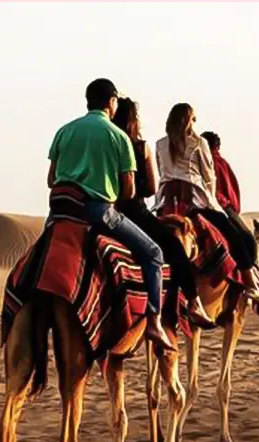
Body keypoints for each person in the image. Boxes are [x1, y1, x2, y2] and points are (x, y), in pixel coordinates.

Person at [47, 78, 174, 352]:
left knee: (35, 258)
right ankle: (154, 320)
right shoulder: (119, 138)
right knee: (154, 254)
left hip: (60, 212)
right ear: (111, 102)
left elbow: (51, 179)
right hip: (98, 212)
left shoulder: (64, 131)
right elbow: (128, 192)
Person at [111, 98, 215, 328]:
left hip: (106, 208)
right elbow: (149, 188)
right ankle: (189, 302)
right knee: (169, 249)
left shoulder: (152, 145)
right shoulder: (140, 147)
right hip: (134, 211)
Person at [152, 104, 259, 303]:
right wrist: (213, 202)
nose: (195, 122)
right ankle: (249, 281)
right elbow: (209, 176)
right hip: (195, 201)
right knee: (236, 234)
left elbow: (162, 172)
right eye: (193, 118)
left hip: (168, 202)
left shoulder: (160, 144)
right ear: (187, 120)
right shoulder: (199, 143)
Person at [200, 131, 254, 247]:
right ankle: (247, 263)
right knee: (247, 240)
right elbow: (230, 189)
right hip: (220, 204)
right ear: (217, 146)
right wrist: (233, 208)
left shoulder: (196, 162)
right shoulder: (219, 162)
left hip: (197, 202)